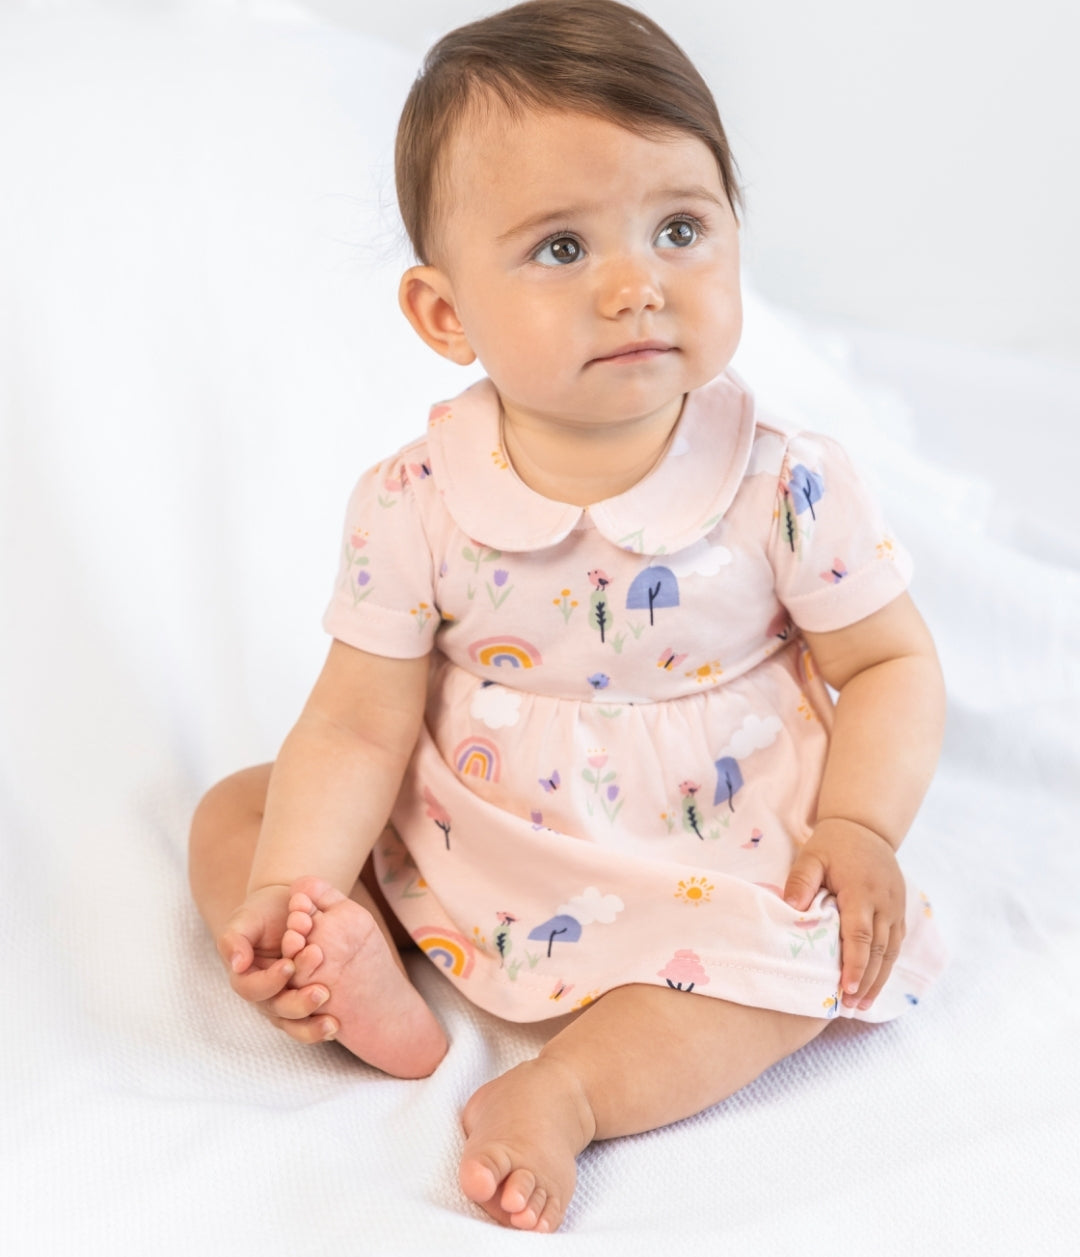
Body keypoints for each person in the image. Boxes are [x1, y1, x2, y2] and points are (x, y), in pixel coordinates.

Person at [188, 0, 947, 1233]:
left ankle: (571, 1092)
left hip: (716, 839)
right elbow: (357, 726)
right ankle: (349, 968)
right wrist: (302, 880)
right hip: (471, 821)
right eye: (560, 249)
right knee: (238, 814)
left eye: (680, 229)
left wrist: (860, 825)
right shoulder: (415, 500)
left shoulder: (784, 482)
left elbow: (891, 665)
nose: (636, 285)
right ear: (445, 315)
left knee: (815, 963)